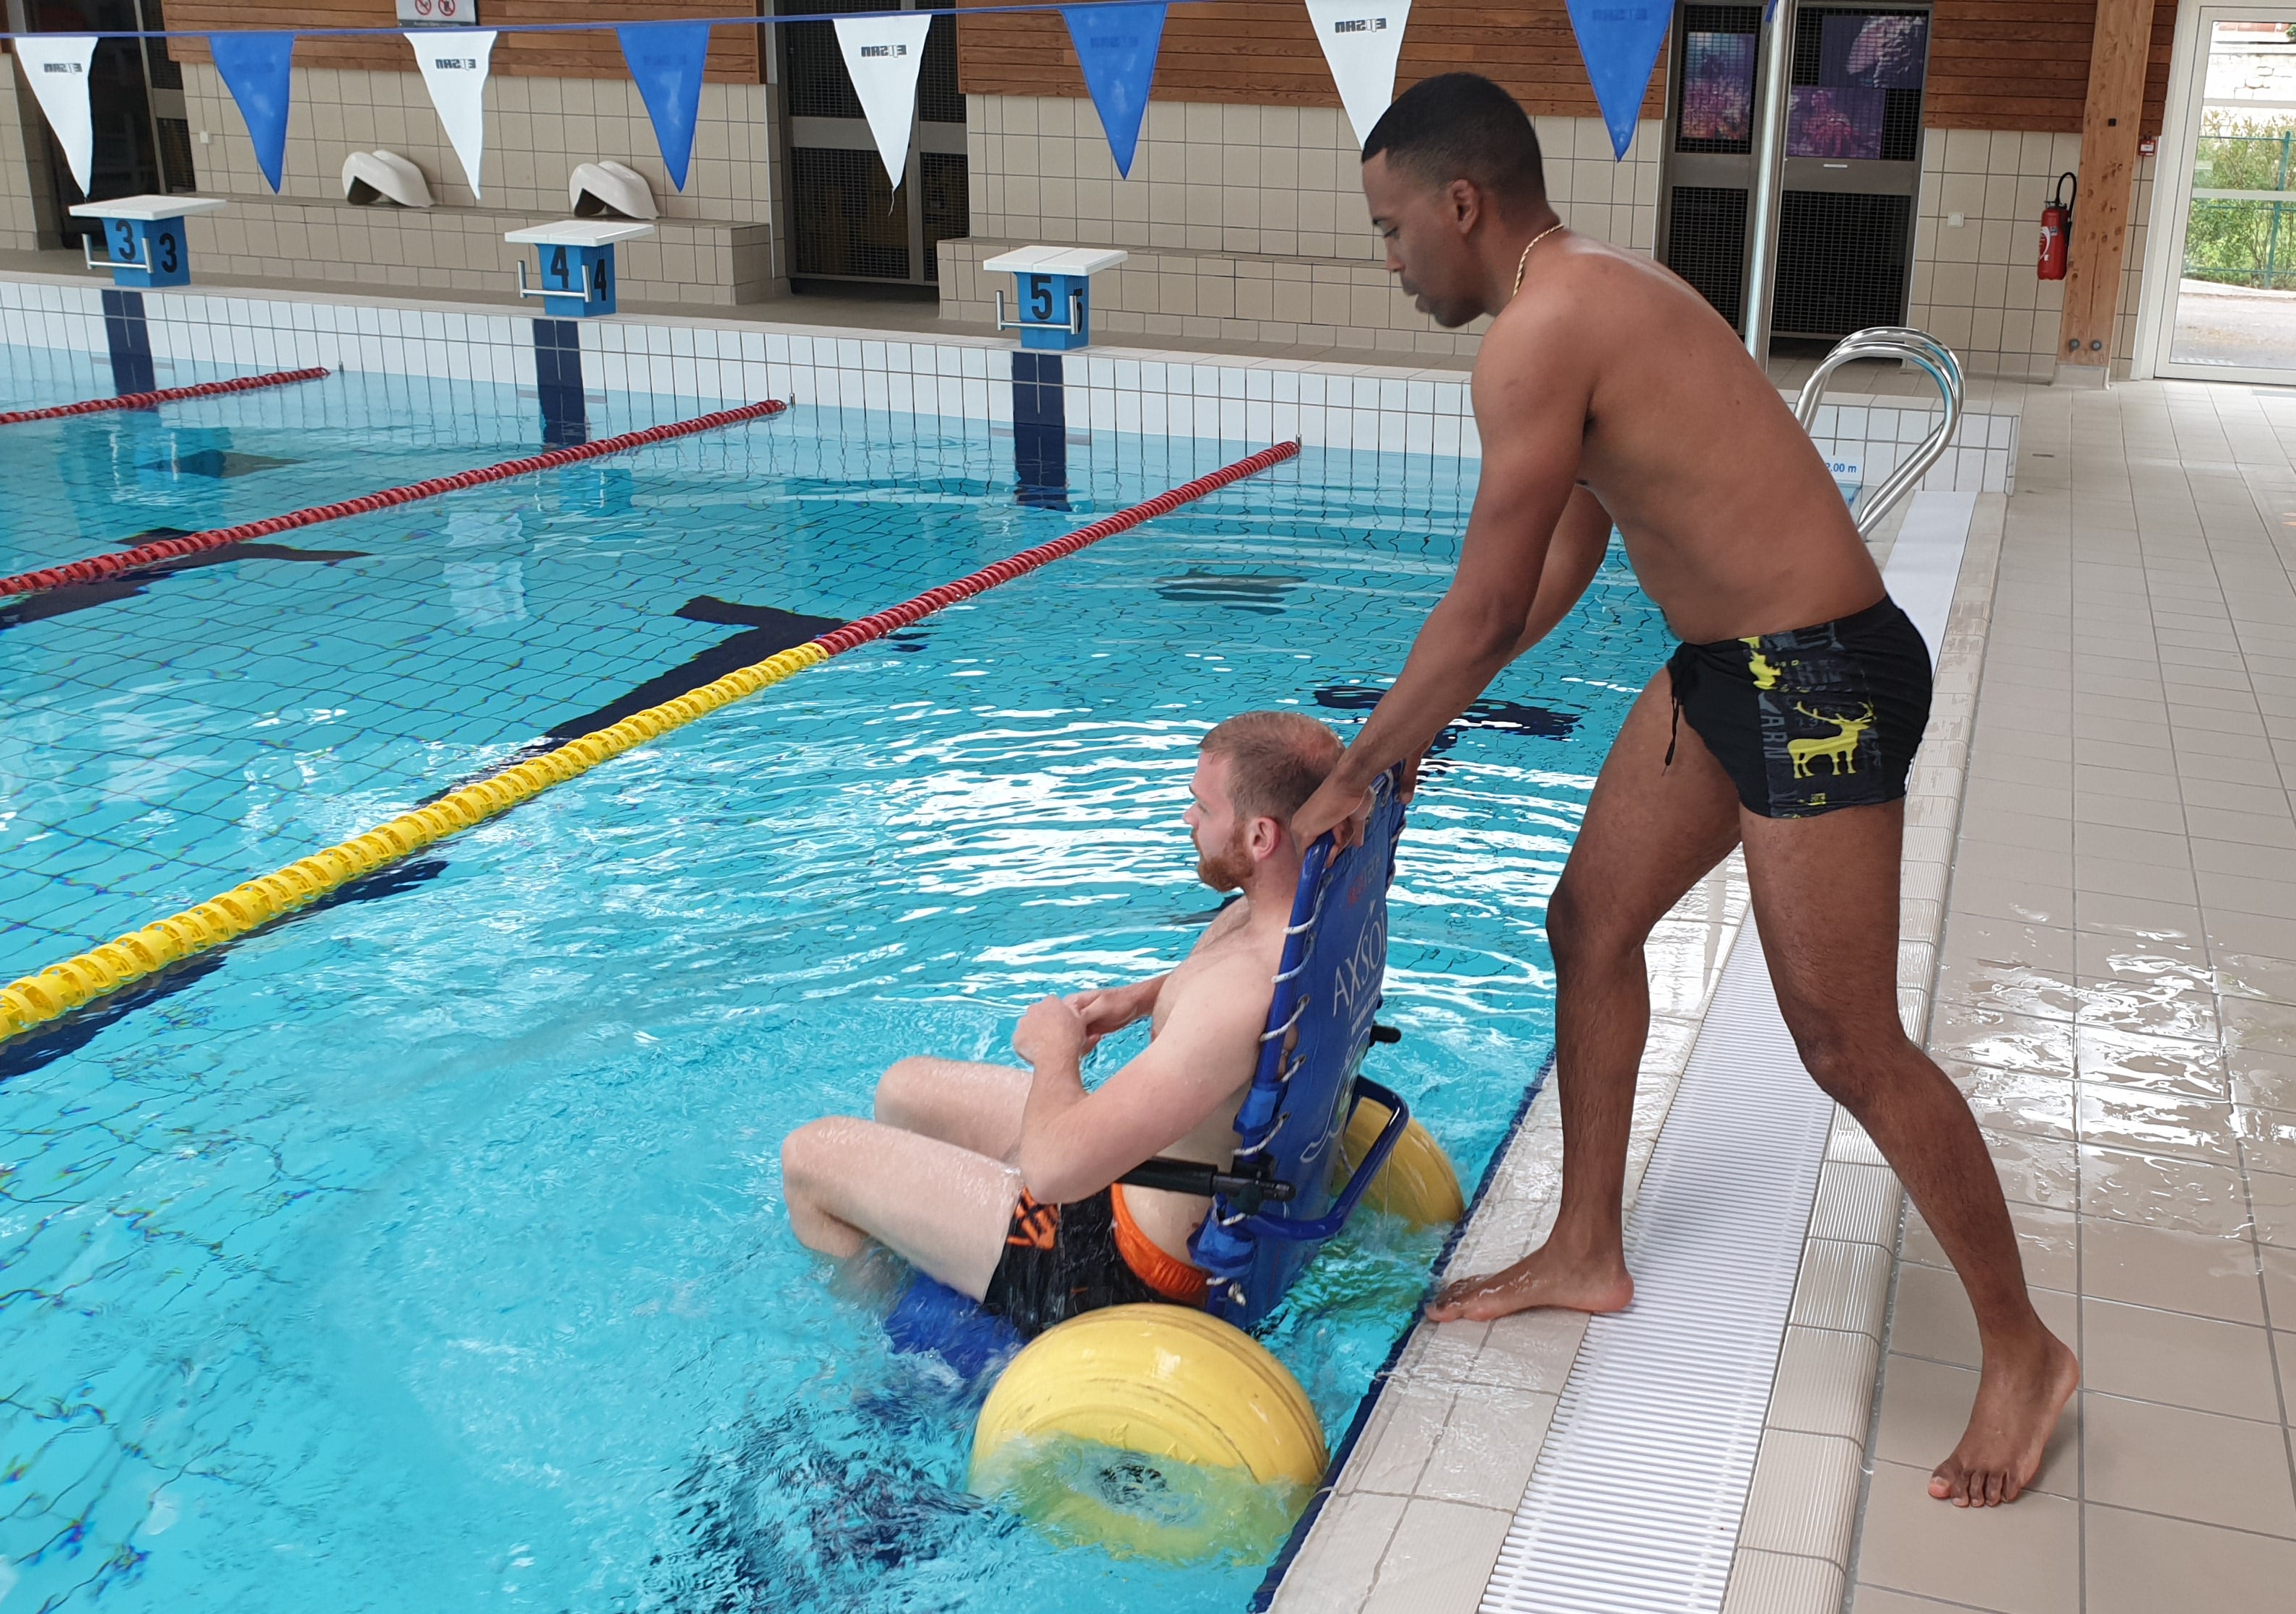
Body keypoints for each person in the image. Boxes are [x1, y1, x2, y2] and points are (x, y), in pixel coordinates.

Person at [1287, 73, 2077, 1508]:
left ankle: (2026, 1351)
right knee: (1588, 922)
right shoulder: (1591, 292)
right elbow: (1566, 555)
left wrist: (1358, 763)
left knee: (1846, 1042)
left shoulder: (1538, 334)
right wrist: (1416, 724)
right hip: (1731, 668)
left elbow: (1480, 609)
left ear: (1462, 204)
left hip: (1818, 678)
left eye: (1392, 228)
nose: (1389, 258)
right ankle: (1587, 1245)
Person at [780, 711, 1345, 1335]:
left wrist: (1056, 1051)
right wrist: (1139, 999)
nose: (1189, 819)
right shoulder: (1313, 916)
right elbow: (1227, 1001)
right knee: (904, 1088)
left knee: (809, 1158)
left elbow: (1052, 1175)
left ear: (1260, 836)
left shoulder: (1235, 997)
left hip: (1104, 1262)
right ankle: (943, 1238)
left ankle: (893, 1350)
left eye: (1204, 808)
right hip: (1150, 1189)